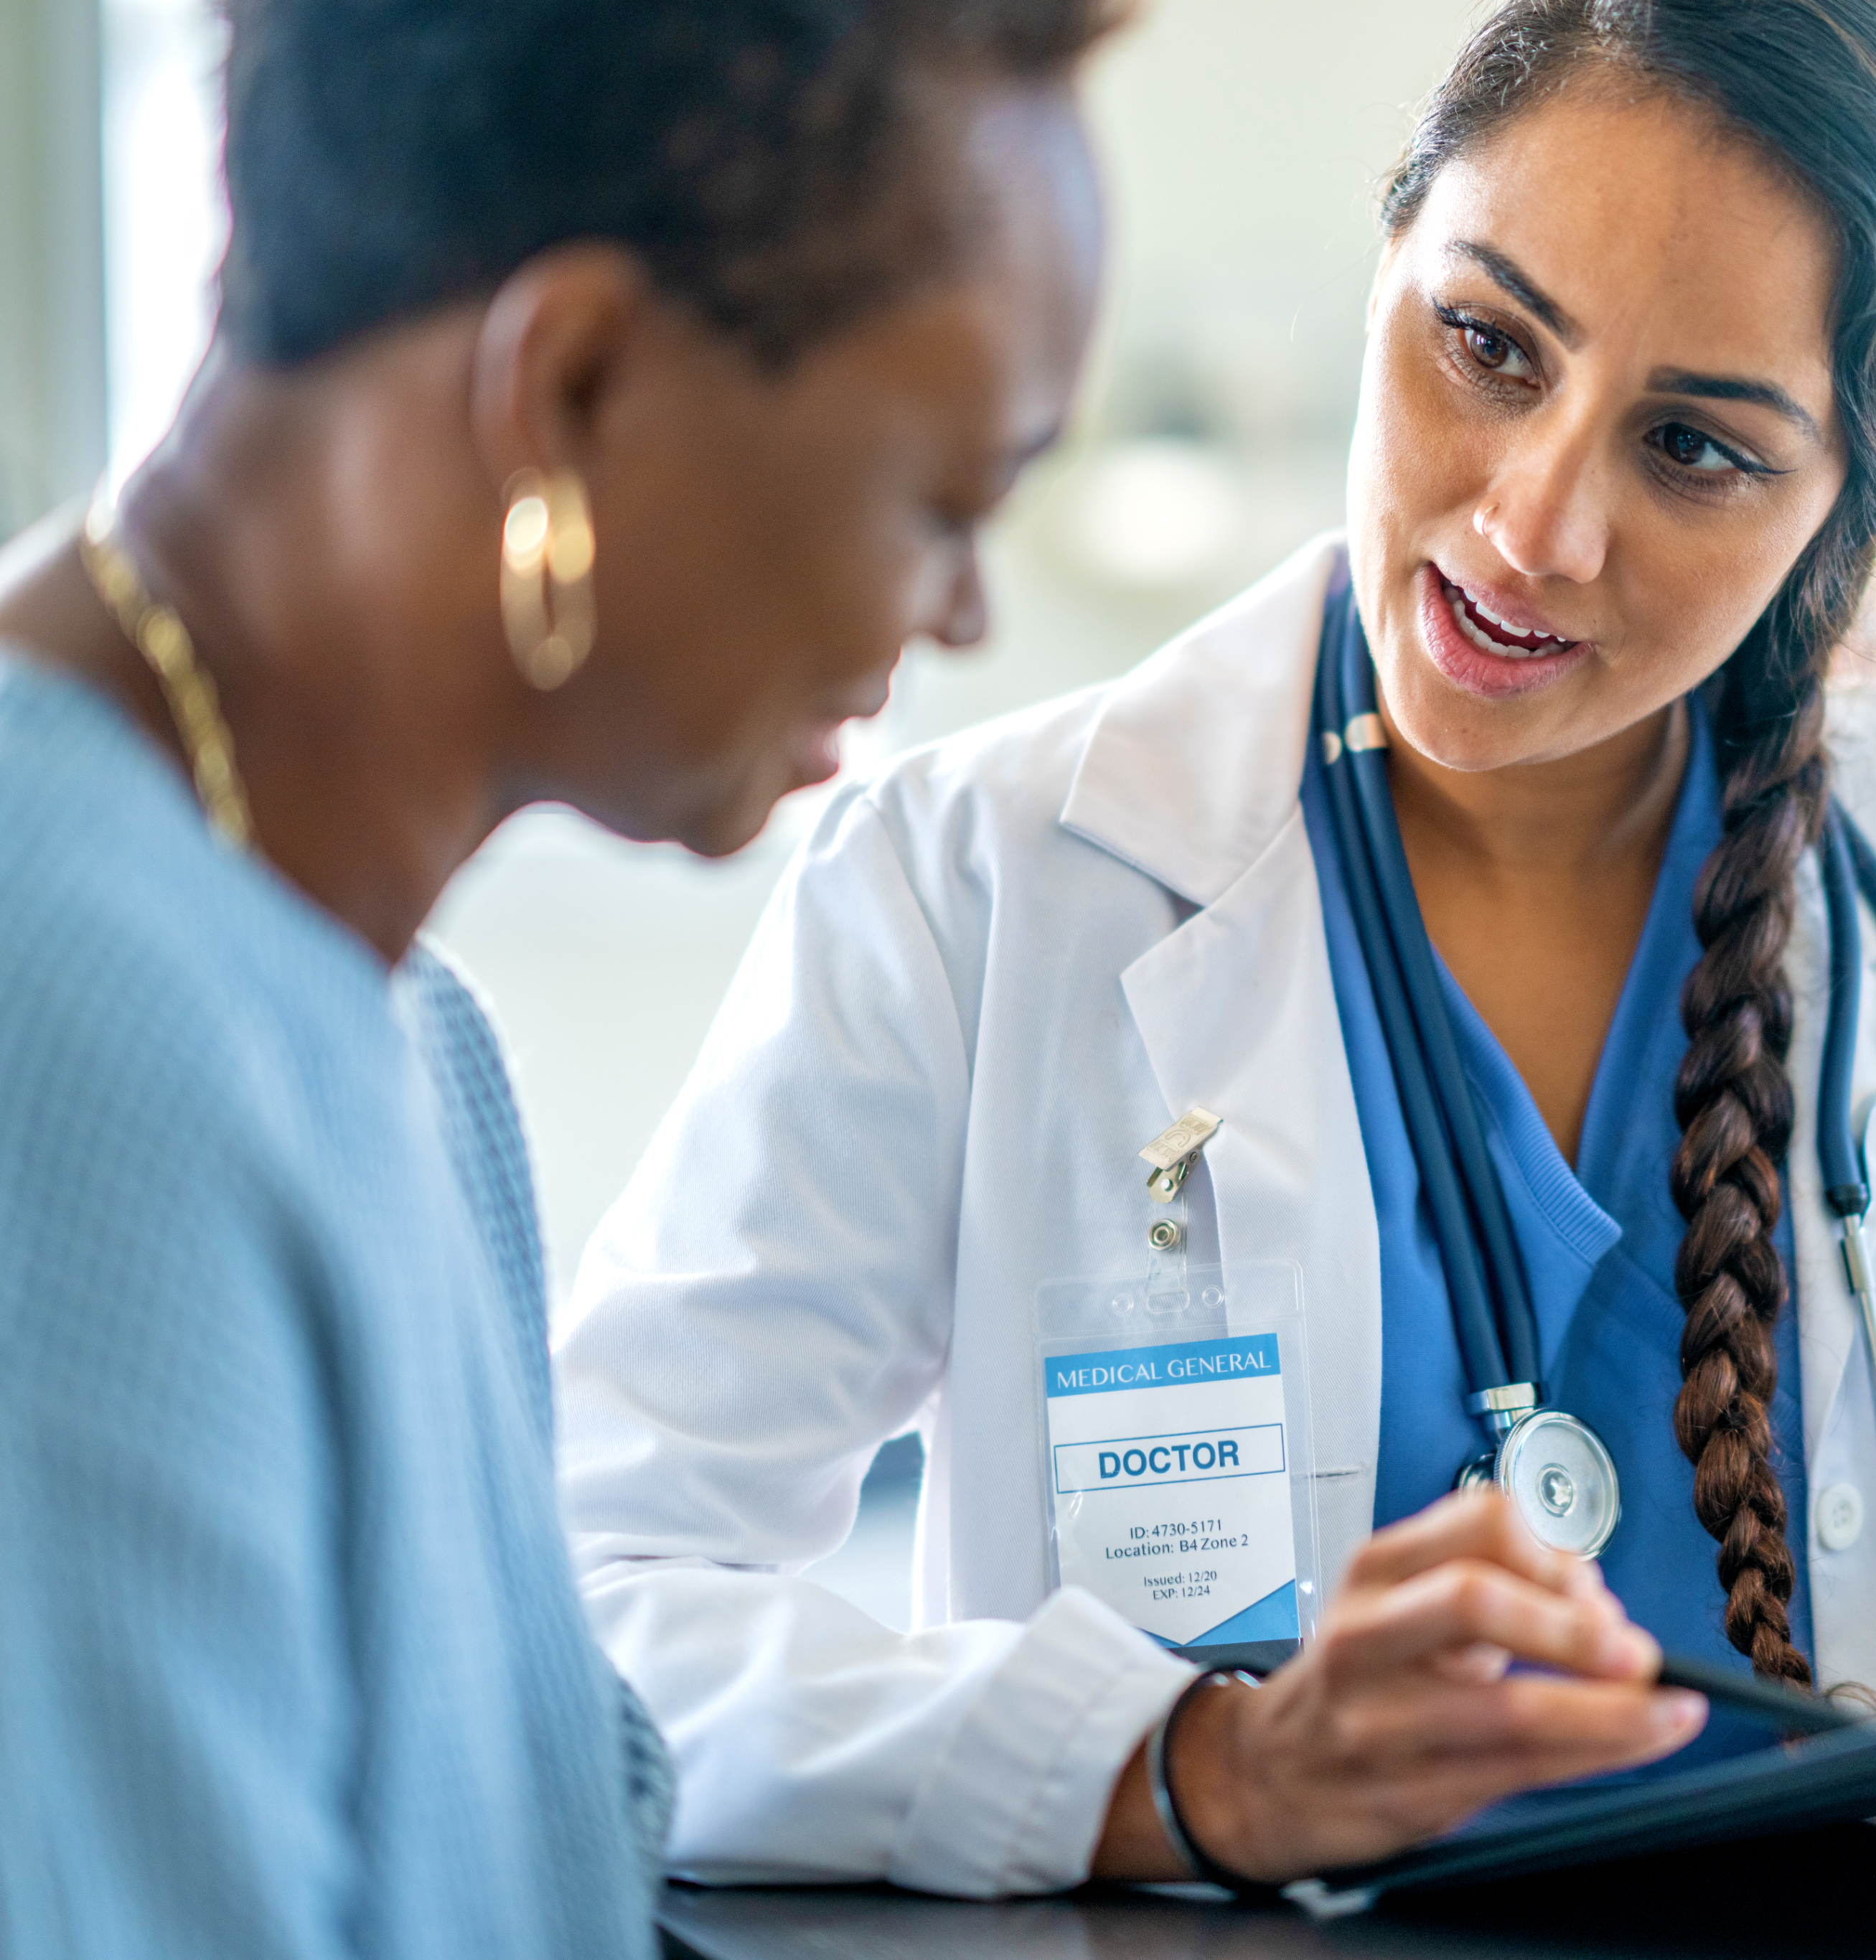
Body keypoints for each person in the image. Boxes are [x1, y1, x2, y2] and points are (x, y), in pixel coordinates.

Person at [554, 0, 1876, 1898]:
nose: (1534, 522)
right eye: (1486, 345)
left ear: (1842, 517)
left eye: (1698, 447)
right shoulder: (979, 885)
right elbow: (577, 1586)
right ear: (1392, 264)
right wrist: (1184, 1763)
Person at [0, 1, 1117, 1951]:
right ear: (573, 384)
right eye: (942, 502)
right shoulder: (68, 1038)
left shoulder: (420, 1046)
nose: (958, 611)